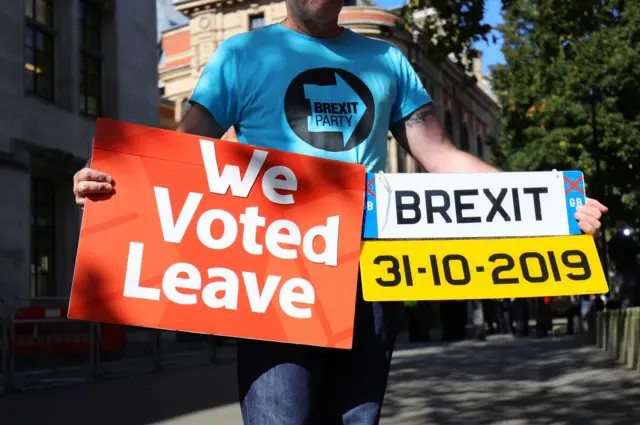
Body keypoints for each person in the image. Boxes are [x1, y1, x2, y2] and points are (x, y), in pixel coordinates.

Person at [71, 1, 609, 423]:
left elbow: (440, 155)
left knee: (356, 418)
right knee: (282, 417)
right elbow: (183, 153)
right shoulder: (240, 55)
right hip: (271, 275)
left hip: (365, 273)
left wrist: (554, 207)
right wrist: (114, 184)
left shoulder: (387, 61)